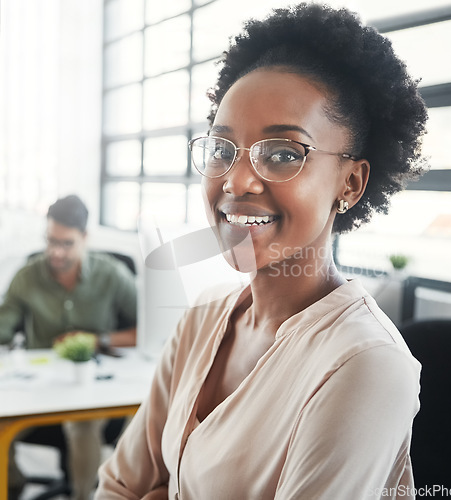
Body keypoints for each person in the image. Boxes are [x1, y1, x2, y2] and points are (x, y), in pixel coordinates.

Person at [97, 4, 427, 499]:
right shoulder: (202, 321)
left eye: (282, 154)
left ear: (351, 182)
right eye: (222, 149)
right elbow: (118, 487)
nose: (236, 179)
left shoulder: (363, 363)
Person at [0, 194, 137, 500]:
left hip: (92, 386)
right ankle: (12, 486)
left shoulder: (111, 273)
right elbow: (2, 329)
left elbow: (148, 331)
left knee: (83, 424)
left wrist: (98, 340)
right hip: (37, 391)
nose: (55, 252)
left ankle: (82, 495)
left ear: (85, 237)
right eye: (50, 241)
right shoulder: (28, 276)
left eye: (66, 243)